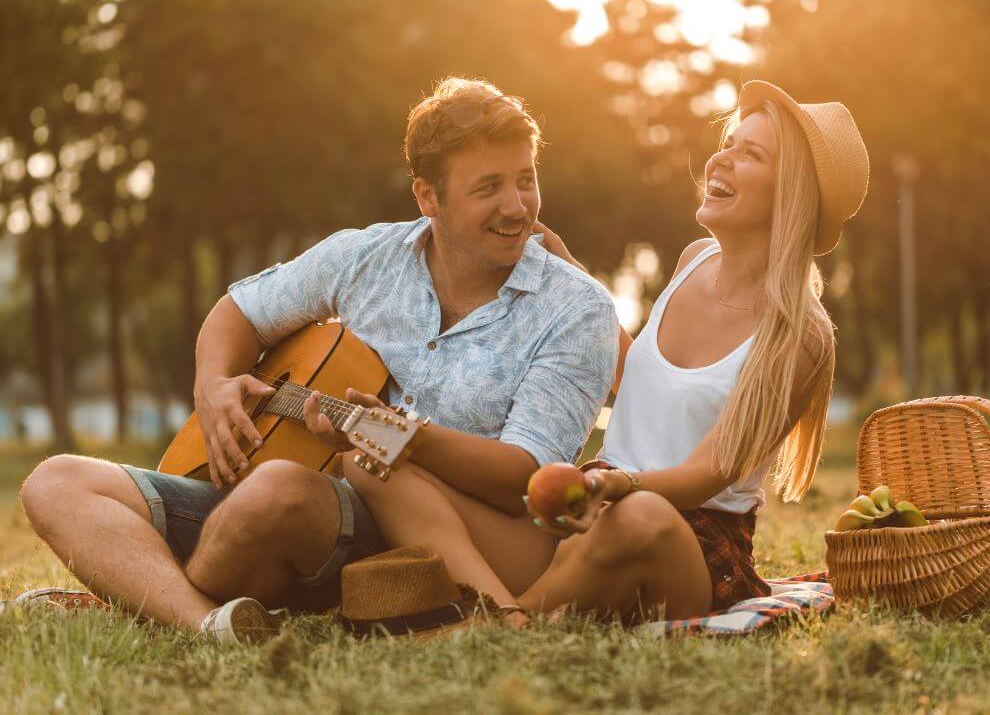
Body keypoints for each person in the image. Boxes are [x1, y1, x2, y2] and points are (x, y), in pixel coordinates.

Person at [18, 77, 619, 641]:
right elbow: (240, 311)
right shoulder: (364, 257)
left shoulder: (576, 309)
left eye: (525, 179)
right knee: (56, 480)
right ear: (427, 196)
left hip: (425, 530)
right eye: (489, 187)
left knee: (278, 489)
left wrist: (398, 438)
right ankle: (207, 625)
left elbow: (530, 474)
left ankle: (140, 589)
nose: (518, 206)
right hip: (283, 504)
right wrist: (214, 383)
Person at [354, 79, 868, 624]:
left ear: (792, 192)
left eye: (751, 154)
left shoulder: (801, 333)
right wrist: (573, 274)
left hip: (687, 542)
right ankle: (503, 613)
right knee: (374, 461)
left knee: (640, 516)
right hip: (597, 512)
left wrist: (620, 486)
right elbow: (638, 377)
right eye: (730, 143)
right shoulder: (694, 260)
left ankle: (499, 623)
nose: (722, 157)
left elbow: (709, 472)